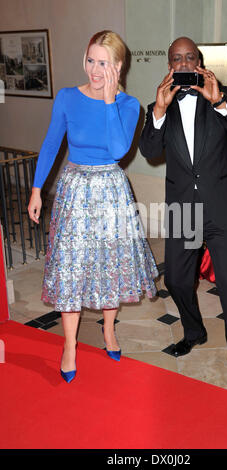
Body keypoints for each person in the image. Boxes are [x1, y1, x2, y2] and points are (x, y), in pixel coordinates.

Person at [28, 30, 158, 383]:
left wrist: (109, 100)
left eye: (103, 63)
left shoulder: (130, 106)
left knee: (109, 265)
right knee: (71, 264)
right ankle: (69, 345)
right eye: (90, 60)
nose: (94, 69)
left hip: (111, 190)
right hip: (73, 190)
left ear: (118, 66)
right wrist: (37, 189)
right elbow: (52, 142)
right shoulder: (68, 98)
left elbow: (118, 150)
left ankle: (109, 329)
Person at [139, 37, 227, 397]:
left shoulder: (225, 94)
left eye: (190, 57)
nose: (184, 63)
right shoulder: (160, 104)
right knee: (175, 279)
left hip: (220, 207)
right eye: (177, 58)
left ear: (200, 61)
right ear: (169, 65)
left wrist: (219, 101)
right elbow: (148, 151)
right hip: (184, 210)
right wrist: (158, 112)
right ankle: (194, 332)